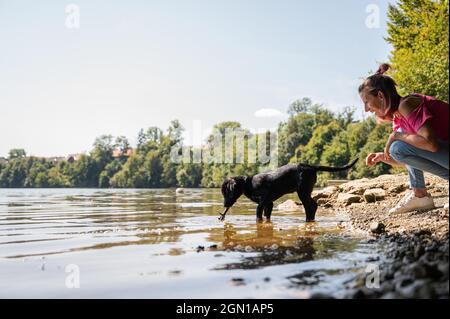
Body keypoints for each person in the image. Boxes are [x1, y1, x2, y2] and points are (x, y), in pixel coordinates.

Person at [358, 64, 449, 214]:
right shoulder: (398, 117)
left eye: (366, 102)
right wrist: (383, 158)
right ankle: (420, 196)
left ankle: (420, 196)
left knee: (398, 145)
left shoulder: (407, 104)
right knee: (398, 148)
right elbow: (407, 159)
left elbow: (431, 145)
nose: (366, 109)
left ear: (380, 96)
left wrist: (396, 136)